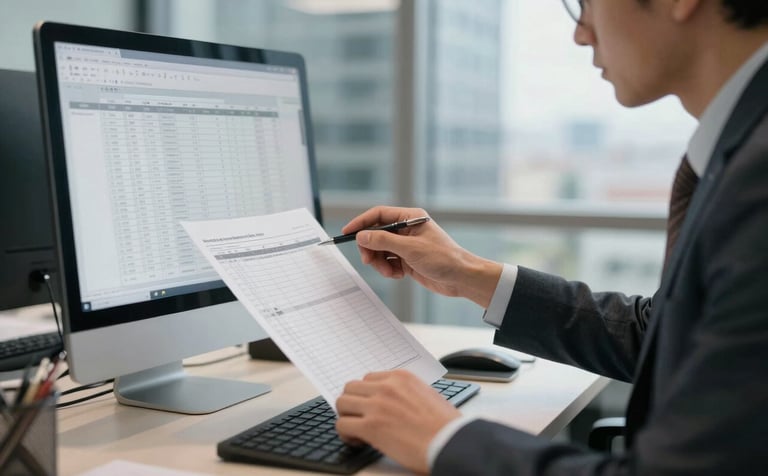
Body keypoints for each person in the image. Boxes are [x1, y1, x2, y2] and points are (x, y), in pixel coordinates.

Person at [333, 0, 768, 474]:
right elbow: (661, 337)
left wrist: (443, 439)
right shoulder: (743, 150)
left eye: (586, 5)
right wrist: (467, 273)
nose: (582, 34)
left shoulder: (757, 181)